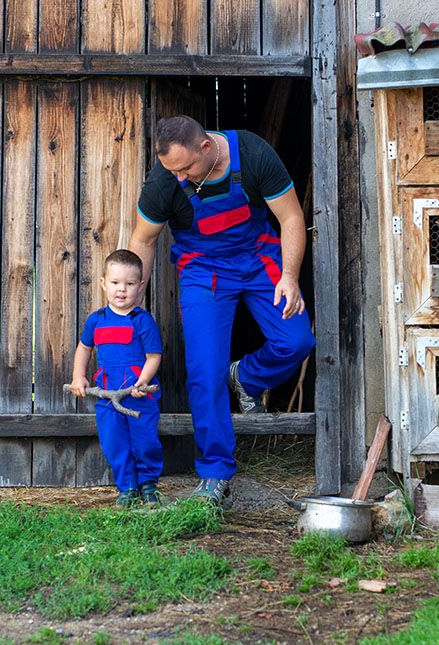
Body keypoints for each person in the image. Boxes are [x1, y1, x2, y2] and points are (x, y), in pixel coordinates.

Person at [129, 116, 316, 504]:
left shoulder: (251, 153)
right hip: (202, 269)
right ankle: (214, 472)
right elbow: (143, 241)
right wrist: (129, 300)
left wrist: (291, 276)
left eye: (185, 168)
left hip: (259, 257)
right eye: (171, 170)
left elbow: (291, 216)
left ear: (206, 148)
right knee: (204, 371)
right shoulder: (165, 180)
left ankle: (247, 377)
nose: (178, 178)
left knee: (297, 340)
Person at [70, 249, 164, 506]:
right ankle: (127, 488)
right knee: (114, 443)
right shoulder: (96, 320)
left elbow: (154, 356)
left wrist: (142, 383)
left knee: (144, 442)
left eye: (130, 284)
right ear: (103, 283)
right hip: (108, 398)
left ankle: (148, 484)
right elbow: (84, 348)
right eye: (115, 283)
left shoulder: (142, 321)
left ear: (140, 285)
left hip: (139, 396)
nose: (121, 290)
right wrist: (79, 376)